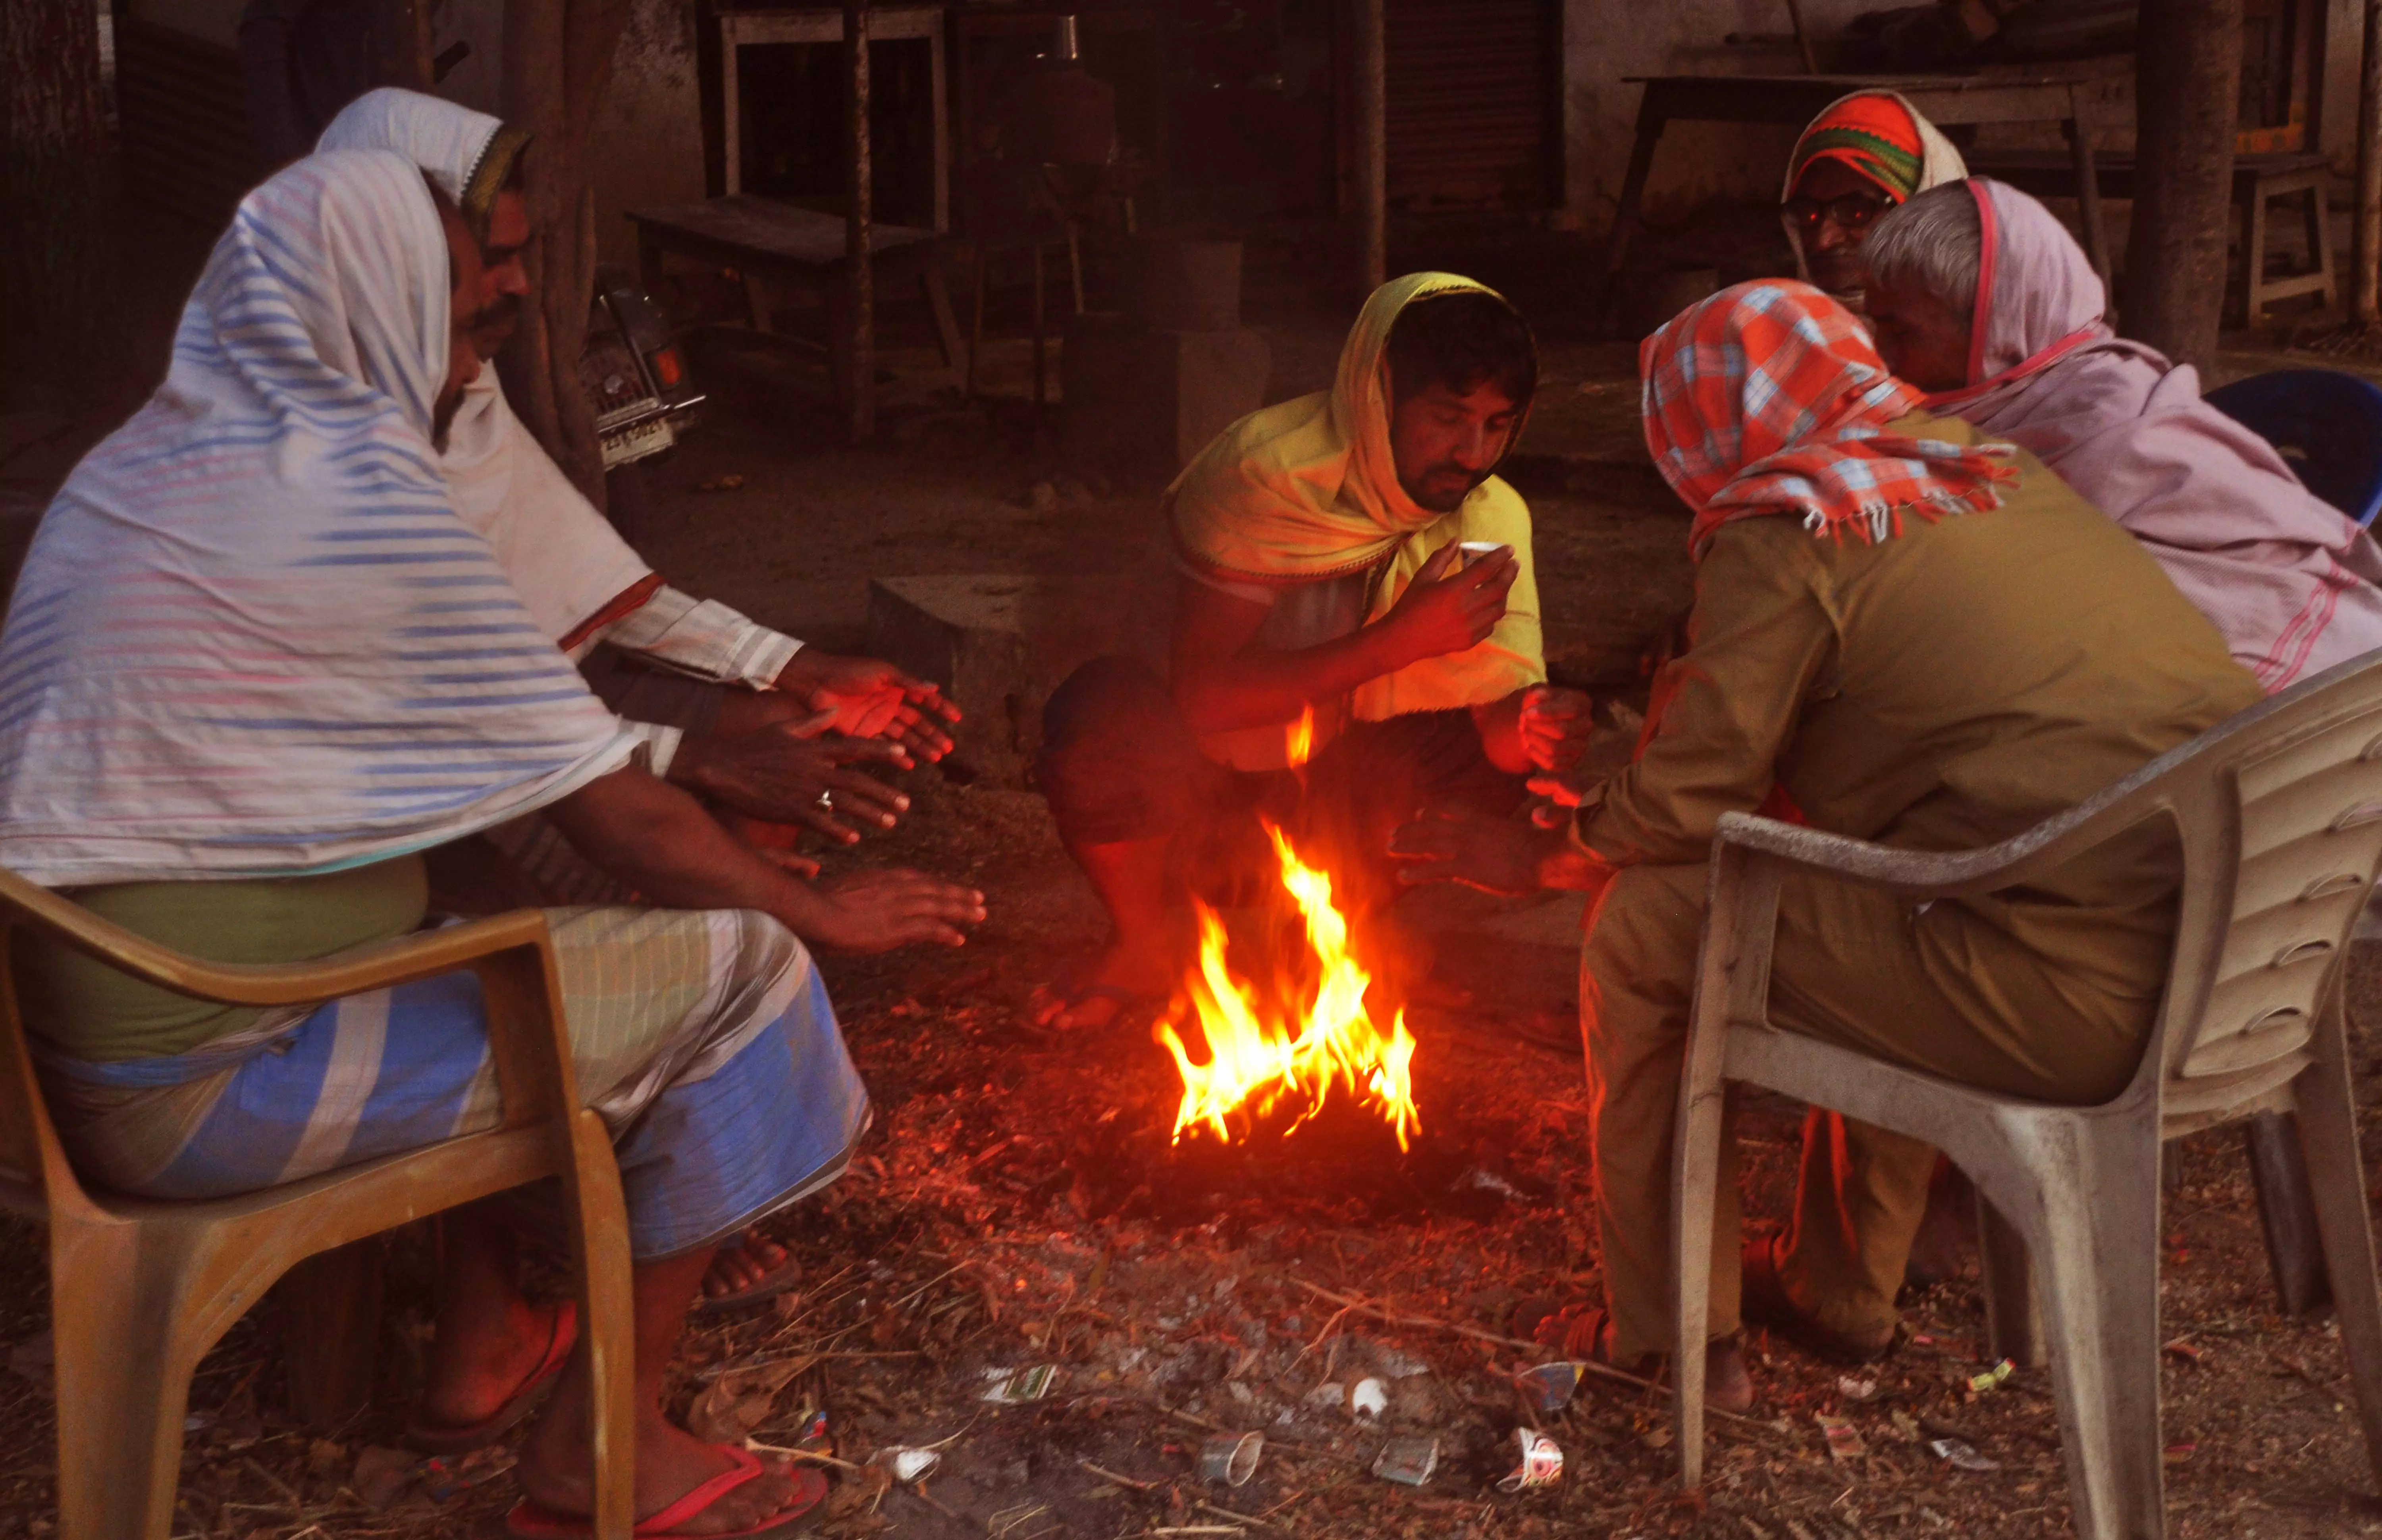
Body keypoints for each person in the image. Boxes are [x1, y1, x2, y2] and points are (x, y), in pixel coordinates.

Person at [0, 150, 983, 1539]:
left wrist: (722, 739)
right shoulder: (351, 499)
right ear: (371, 306)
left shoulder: (171, 454)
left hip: (73, 1028)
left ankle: (481, 1345)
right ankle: (605, 1450)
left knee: (491, 908)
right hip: (213, 1071)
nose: (484, 355)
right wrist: (823, 915)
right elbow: (616, 814)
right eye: (465, 320)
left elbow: (454, 752)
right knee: (738, 975)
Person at [1391, 279, 2260, 1410]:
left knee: (1650, 927)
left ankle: (1669, 1346)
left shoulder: (1793, 526)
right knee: (1853, 861)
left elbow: (1688, 807)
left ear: (1711, 425)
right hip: (2239, 964)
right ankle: (1837, 1288)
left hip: (2084, 1005)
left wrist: (1552, 843)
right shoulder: (1985, 470)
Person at [316, 90, 960, 861]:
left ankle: (725, 925)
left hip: (537, 709)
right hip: (419, 780)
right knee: (740, 794)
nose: (509, 282)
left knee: (795, 727)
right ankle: (691, 934)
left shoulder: (450, 377)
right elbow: (443, 728)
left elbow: (585, 587)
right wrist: (702, 763)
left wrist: (799, 664)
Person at [1030, 273, 1595, 1029]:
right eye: (1450, 418)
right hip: (1197, 803)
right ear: (1378, 394)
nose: (1473, 453)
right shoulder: (1264, 477)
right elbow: (1204, 700)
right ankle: (1146, 941)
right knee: (1103, 715)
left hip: (1339, 802)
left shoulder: (1487, 514)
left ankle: (1360, 936)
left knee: (1496, 780)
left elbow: (1491, 729)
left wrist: (1535, 724)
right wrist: (1399, 642)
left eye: (1498, 425)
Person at [1863, 177, 2382, 691]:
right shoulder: (1991, 412)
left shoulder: (2107, 421)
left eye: (1902, 332)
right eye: (1875, 326)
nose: (1881, 356)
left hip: (2306, 711)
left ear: (1998, 331)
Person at [1780, 89, 1968, 315]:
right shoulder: (1770, 335)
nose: (1823, 241)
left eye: (1855, 212)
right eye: (1806, 213)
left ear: (1921, 214)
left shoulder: (1987, 340)